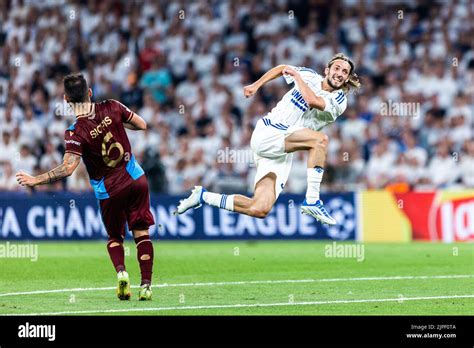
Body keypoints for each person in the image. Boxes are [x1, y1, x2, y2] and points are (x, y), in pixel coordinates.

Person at [175, 53, 361, 225]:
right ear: (327, 70)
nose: (340, 73)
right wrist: (256, 85)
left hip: (282, 149)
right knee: (320, 140)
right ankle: (312, 200)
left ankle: (202, 196)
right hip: (269, 131)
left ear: (347, 78)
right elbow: (281, 68)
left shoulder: (339, 100)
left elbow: (313, 101)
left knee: (259, 208)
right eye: (336, 68)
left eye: (345, 72)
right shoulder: (310, 76)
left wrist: (296, 77)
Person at [16, 73, 155, 301]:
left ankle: (122, 273)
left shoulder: (74, 132)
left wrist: (35, 180)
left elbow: (68, 168)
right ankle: (147, 286)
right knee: (142, 233)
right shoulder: (112, 106)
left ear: (66, 100)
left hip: (110, 190)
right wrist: (115, 123)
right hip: (136, 179)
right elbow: (142, 124)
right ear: (89, 92)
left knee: (114, 237)